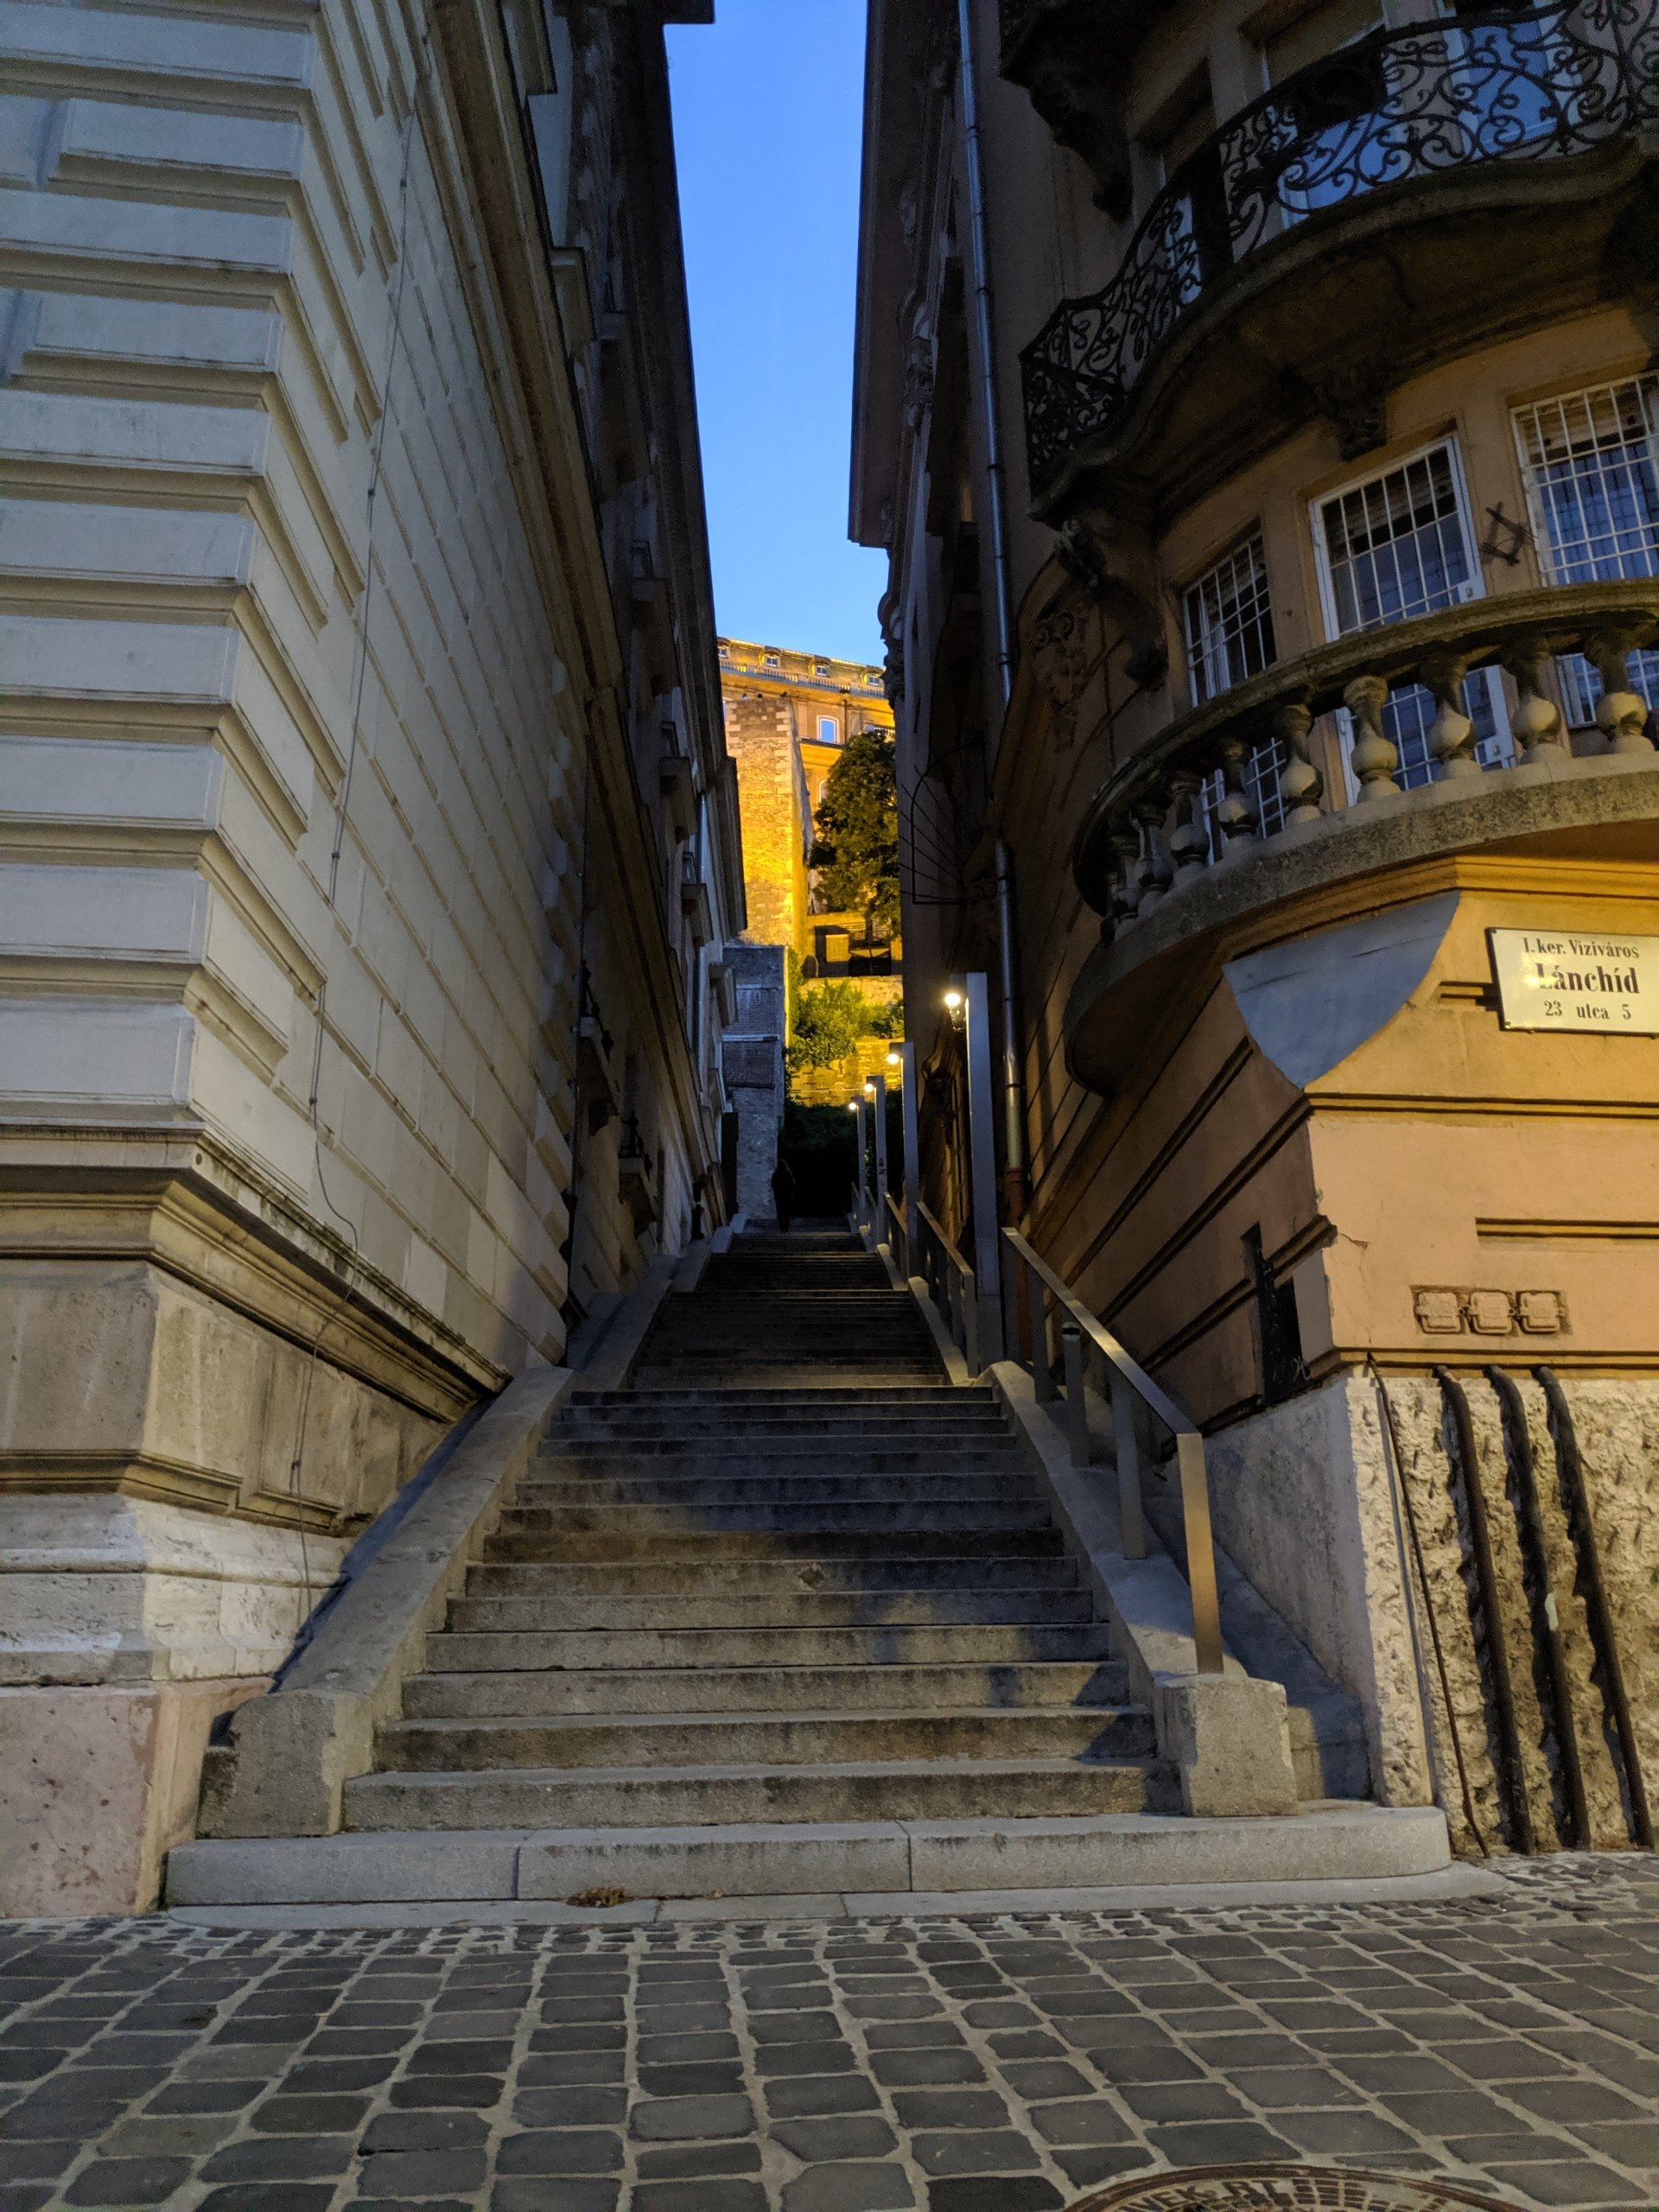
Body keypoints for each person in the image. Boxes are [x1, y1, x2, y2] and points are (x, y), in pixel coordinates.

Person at [770, 1155, 796, 1233]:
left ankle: (782, 1228)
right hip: (787, 1195)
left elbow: (773, 1184)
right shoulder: (788, 1174)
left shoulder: (776, 1174)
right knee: (787, 1211)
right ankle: (786, 1228)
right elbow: (792, 1184)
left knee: (780, 1212)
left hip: (779, 1195)